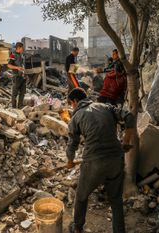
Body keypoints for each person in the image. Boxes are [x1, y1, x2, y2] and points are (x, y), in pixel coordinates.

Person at [66, 88, 135, 233]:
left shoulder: (76, 116)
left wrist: (70, 160)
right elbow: (129, 117)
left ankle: (77, 228)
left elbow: (72, 143)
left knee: (81, 196)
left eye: (71, 104)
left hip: (94, 161)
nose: (72, 106)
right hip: (116, 158)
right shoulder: (105, 107)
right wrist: (125, 141)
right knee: (116, 199)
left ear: (75, 101)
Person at [7, 42, 26, 108]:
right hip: (16, 76)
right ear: (19, 48)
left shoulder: (22, 55)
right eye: (22, 47)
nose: (23, 49)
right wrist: (17, 68)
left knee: (23, 93)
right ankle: (13, 107)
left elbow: (22, 65)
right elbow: (9, 65)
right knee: (14, 94)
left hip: (22, 77)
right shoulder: (12, 55)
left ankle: (20, 106)